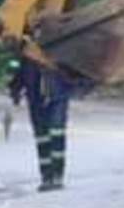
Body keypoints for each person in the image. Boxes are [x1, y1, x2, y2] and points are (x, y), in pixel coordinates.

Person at [7, 57, 77, 192]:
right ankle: (46, 177)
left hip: (58, 92)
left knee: (57, 132)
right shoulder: (25, 43)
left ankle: (57, 176)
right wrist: (15, 89)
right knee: (41, 136)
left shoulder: (58, 43)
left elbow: (74, 64)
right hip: (35, 94)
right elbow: (17, 66)